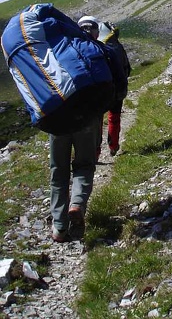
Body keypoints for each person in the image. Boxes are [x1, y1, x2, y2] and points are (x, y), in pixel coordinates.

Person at [49, 15, 102, 242]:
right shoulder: (97, 50)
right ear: (96, 32)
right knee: (84, 164)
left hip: (58, 118)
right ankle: (77, 203)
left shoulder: (56, 49)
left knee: (58, 171)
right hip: (87, 119)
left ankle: (59, 228)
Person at [97, 21, 131, 157]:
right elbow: (127, 67)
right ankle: (113, 145)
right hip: (118, 89)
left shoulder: (97, 47)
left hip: (102, 89)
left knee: (97, 121)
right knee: (114, 117)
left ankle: (95, 152)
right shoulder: (118, 46)